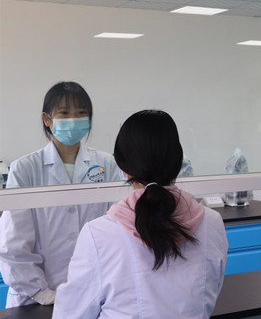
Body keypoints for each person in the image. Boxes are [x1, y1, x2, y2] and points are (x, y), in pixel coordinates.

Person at [53, 110, 228, 318]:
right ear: (178, 161)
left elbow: (70, 314)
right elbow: (211, 292)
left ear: (122, 165)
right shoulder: (212, 222)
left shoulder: (99, 235)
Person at [0, 82, 120, 307]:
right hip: (33, 299)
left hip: (93, 293)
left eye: (81, 113)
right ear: (47, 119)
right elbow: (13, 244)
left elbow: (116, 231)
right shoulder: (25, 169)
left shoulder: (107, 164)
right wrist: (42, 293)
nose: (73, 119)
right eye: (64, 113)